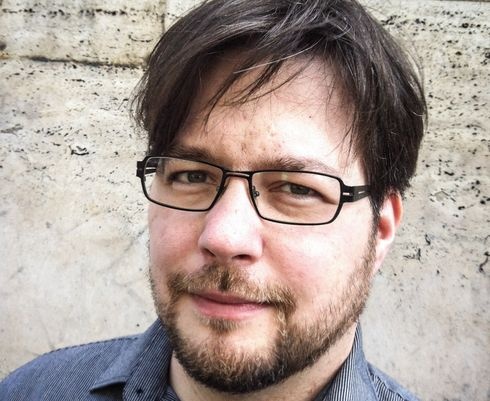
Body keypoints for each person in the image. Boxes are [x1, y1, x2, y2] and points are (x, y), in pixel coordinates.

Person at [0, 0, 426, 400]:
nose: (224, 236)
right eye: (192, 176)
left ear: (381, 229)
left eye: (297, 189)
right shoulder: (32, 391)